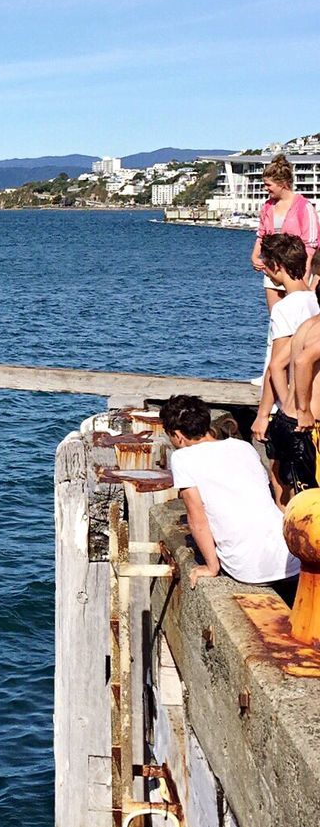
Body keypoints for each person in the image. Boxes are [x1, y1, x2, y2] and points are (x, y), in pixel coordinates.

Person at [161, 395, 299, 601]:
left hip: (249, 569)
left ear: (178, 435)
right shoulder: (243, 447)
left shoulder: (182, 458)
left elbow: (197, 518)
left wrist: (211, 566)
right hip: (293, 560)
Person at [251, 236, 320, 501]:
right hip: (308, 400)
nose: (264, 270)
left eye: (267, 265)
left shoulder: (284, 308)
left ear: (277, 266)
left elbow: (276, 364)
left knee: (283, 483)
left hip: (291, 408)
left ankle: (286, 537)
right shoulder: (314, 302)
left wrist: (268, 411)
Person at [250, 154, 318, 311]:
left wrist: (304, 275)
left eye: (268, 185)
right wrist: (255, 256)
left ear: (282, 184)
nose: (265, 188)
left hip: (296, 271)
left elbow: (310, 245)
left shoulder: (304, 207)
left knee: (297, 317)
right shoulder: (267, 206)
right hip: (272, 268)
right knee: (275, 316)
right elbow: (261, 234)